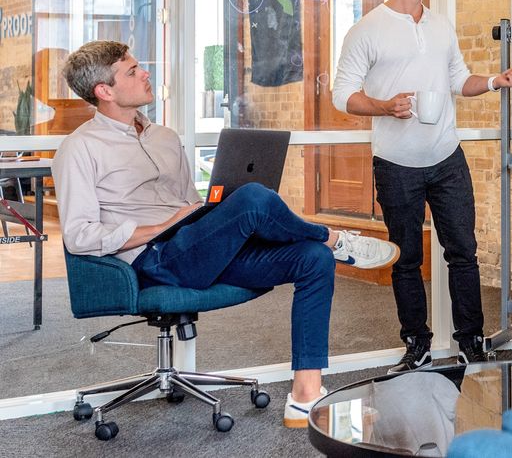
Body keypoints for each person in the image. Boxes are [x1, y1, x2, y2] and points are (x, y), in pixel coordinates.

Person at [52, 40, 399, 429]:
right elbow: (79, 236)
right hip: (156, 259)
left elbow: (188, 204)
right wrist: (161, 226)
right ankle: (333, 239)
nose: (145, 72)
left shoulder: (164, 137)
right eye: (132, 71)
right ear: (104, 91)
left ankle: (305, 395)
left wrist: (209, 211)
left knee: (310, 259)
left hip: (196, 246)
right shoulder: (79, 149)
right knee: (253, 199)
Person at [332, 0, 512, 371]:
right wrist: (384, 105)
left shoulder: (440, 26)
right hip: (397, 165)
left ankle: (470, 340)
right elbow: (342, 95)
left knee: (463, 251)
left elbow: (460, 80)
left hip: (447, 159)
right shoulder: (368, 29)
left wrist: (497, 80)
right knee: (406, 256)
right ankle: (416, 343)